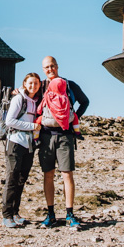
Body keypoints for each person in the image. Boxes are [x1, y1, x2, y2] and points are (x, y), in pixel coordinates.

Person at [38, 55, 89, 228]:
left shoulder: (69, 85)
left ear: (57, 66)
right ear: (43, 70)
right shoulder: (40, 86)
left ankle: (69, 214)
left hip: (65, 136)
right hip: (46, 136)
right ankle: (51, 213)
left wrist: (74, 118)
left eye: (52, 66)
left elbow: (85, 101)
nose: (50, 69)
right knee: (48, 175)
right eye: (46, 67)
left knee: (67, 174)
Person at [1, 73, 42, 228]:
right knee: (12, 178)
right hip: (16, 142)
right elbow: (9, 121)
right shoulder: (19, 99)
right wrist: (32, 127)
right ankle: (7, 215)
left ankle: (15, 212)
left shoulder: (36, 100)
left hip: (29, 145)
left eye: (36, 83)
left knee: (21, 179)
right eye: (30, 83)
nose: (33, 86)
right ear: (25, 84)